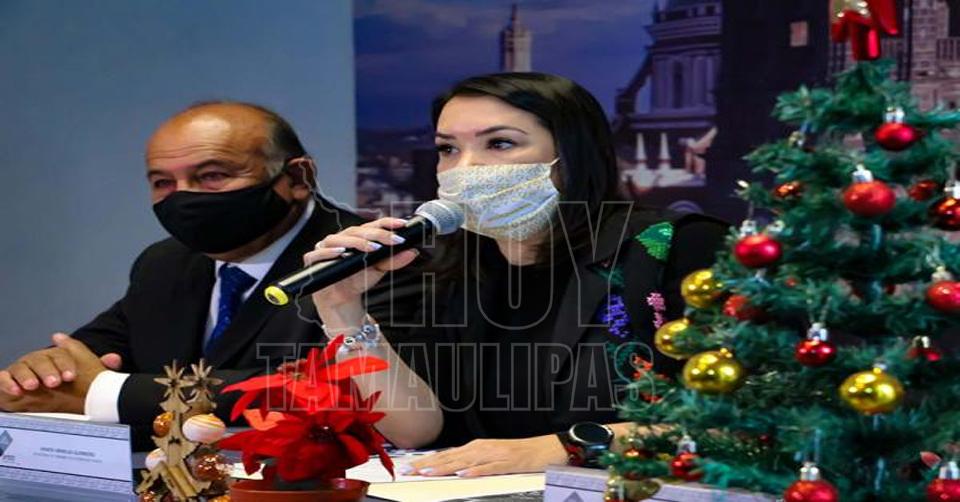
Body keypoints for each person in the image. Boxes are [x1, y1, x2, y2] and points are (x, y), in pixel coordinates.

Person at [306, 73, 729, 477]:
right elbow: (416, 431)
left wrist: (562, 447)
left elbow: (741, 424)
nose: (466, 167)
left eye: (500, 143)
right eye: (448, 149)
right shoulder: (449, 266)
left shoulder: (675, 245)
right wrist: (342, 309)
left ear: (572, 155)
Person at [0, 102, 436, 449]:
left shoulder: (370, 260)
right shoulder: (165, 263)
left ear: (297, 177)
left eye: (211, 176)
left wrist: (107, 393)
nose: (183, 198)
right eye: (163, 183)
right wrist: (38, 376)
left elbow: (325, 389)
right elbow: (85, 357)